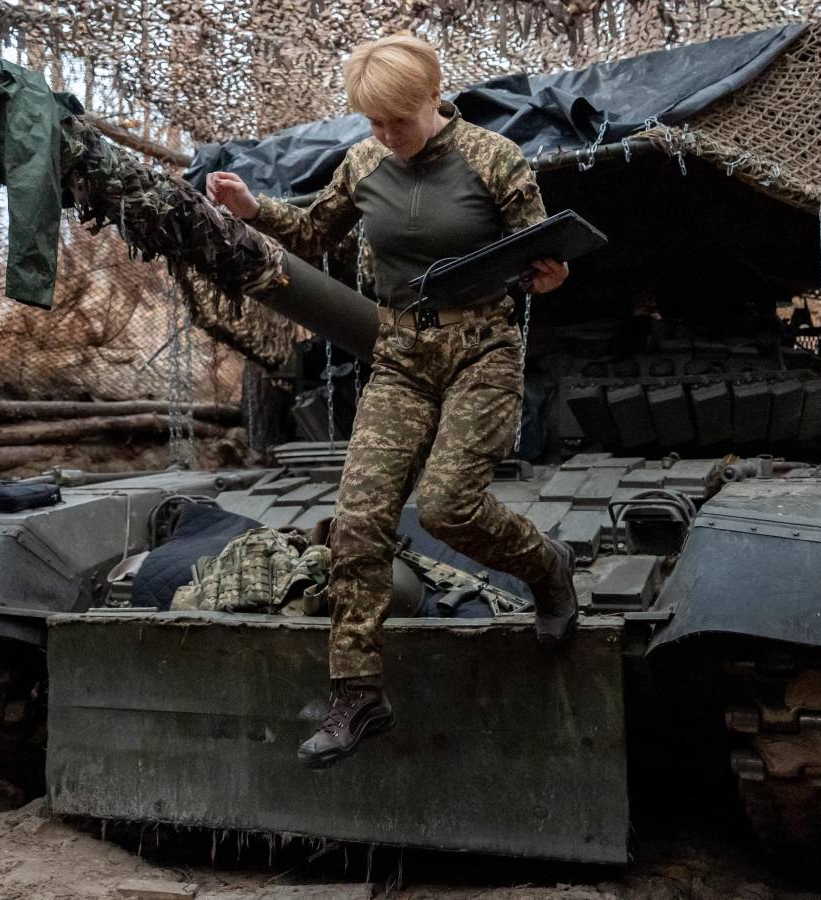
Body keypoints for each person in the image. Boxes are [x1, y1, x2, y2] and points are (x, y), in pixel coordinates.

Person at [206, 33, 578, 769]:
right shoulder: (365, 162)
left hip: (481, 350)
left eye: (395, 121)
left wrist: (548, 275)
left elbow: (547, 260)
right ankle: (358, 692)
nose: (383, 135)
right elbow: (314, 230)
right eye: (371, 121)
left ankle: (548, 569)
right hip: (401, 355)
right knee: (358, 520)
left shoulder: (495, 159)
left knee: (447, 507)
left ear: (431, 99)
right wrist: (254, 208)